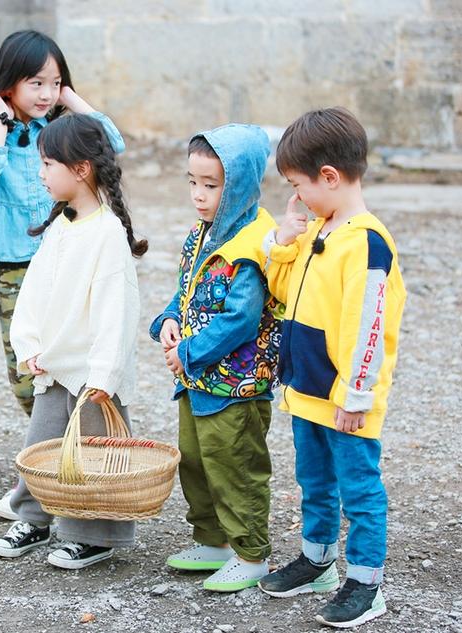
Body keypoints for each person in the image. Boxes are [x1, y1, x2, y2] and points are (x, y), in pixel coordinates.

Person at [0, 29, 125, 520]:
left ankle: (45, 474)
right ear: (7, 85)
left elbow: (111, 144)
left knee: (66, 363)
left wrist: (73, 99)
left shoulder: (58, 130)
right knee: (25, 372)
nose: (46, 94)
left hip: (65, 260)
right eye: (36, 82)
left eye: (54, 83)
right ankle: (48, 460)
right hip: (16, 263)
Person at [256, 107, 406, 629]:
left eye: (299, 186)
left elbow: (368, 331)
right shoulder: (318, 228)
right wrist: (282, 245)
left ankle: (366, 582)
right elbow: (281, 295)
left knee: (359, 488)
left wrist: (355, 395)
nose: (295, 198)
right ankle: (318, 559)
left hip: (346, 400)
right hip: (307, 392)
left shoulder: (365, 243)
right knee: (315, 481)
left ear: (329, 177)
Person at [0, 114, 146, 569]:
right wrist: (30, 344)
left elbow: (117, 311)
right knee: (42, 448)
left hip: (93, 375)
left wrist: (104, 375)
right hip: (55, 365)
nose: (41, 173)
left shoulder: (107, 234)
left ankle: (93, 535)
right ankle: (33, 519)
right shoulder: (61, 227)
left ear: (81, 169)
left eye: (48, 163)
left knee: (93, 458)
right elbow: (34, 294)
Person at [149, 125, 281, 591]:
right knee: (197, 461)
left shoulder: (252, 244)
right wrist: (167, 318)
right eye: (192, 182)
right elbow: (185, 290)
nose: (198, 195)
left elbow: (240, 320)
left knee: (235, 465)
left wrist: (186, 352)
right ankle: (212, 540)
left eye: (211, 185)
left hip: (235, 384)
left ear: (240, 184)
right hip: (196, 379)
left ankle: (251, 552)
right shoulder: (201, 233)